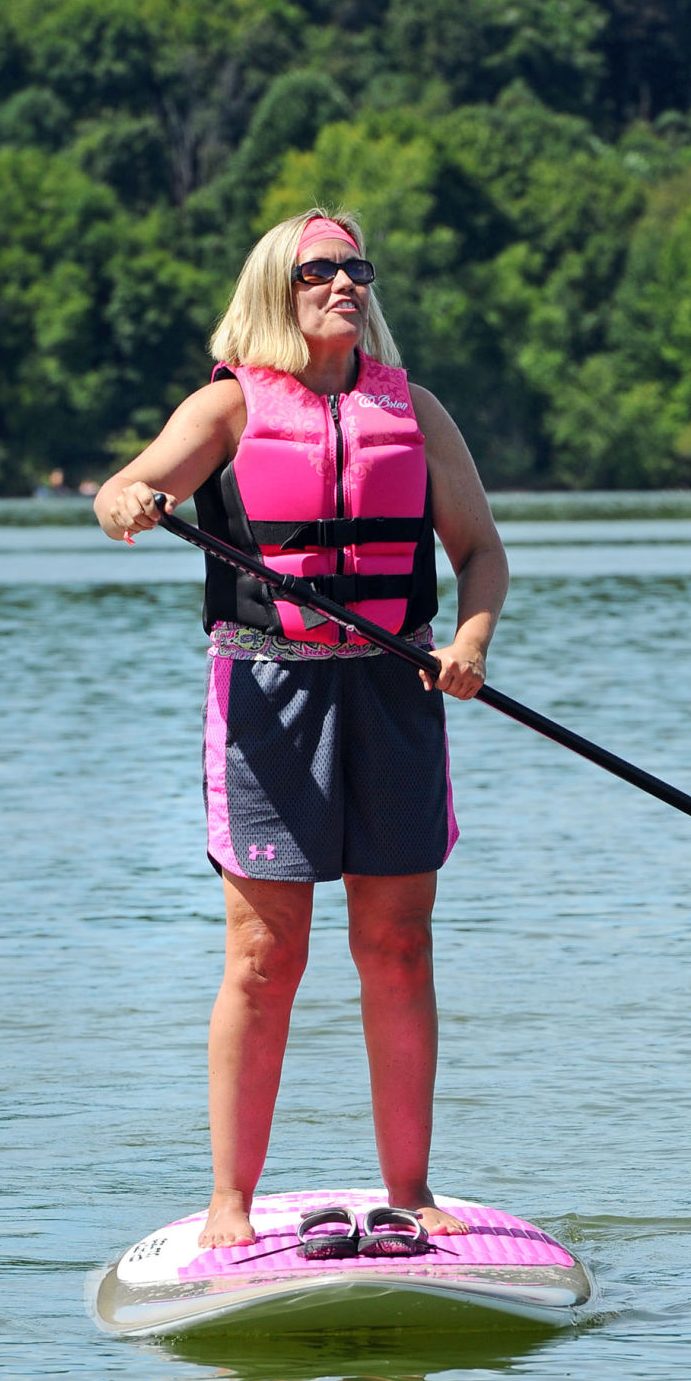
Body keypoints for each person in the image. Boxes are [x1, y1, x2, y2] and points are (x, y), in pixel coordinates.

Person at [94, 210, 507, 1248]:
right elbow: (122, 488)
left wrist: (472, 640)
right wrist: (131, 500)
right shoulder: (229, 406)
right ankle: (229, 1206)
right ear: (279, 287)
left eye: (355, 267)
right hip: (269, 699)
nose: (343, 282)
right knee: (264, 956)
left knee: (399, 945)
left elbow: (482, 554)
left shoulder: (413, 410)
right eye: (319, 268)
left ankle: (410, 1194)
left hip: (395, 688)